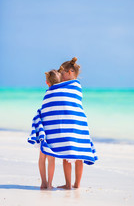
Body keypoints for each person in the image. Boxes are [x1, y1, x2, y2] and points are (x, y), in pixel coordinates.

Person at [57, 57, 97, 189]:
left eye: (62, 74)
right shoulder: (76, 86)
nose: (61, 77)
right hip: (78, 122)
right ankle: (73, 184)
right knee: (74, 153)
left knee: (70, 153)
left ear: (70, 72)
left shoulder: (74, 85)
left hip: (73, 122)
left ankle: (72, 184)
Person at [28, 69, 61, 190]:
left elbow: (45, 111)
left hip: (45, 130)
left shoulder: (47, 94)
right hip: (54, 130)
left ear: (47, 83)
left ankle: (43, 182)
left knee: (42, 157)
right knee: (51, 158)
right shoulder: (62, 94)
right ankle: (49, 184)